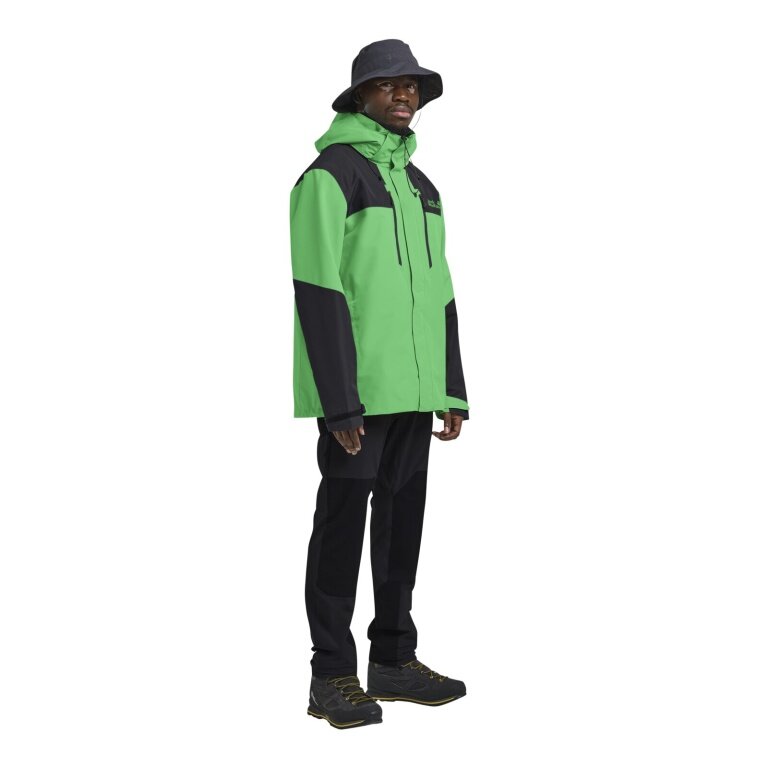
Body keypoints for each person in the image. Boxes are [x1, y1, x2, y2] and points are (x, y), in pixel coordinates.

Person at [290, 39, 470, 730]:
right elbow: (317, 289)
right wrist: (338, 400)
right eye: (389, 84)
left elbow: (442, 293)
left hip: (415, 392)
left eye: (412, 86)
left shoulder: (423, 188)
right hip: (358, 397)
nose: (404, 95)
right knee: (341, 529)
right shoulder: (330, 176)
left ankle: (393, 659)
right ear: (359, 96)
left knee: (403, 529)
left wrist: (450, 387)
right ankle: (331, 674)